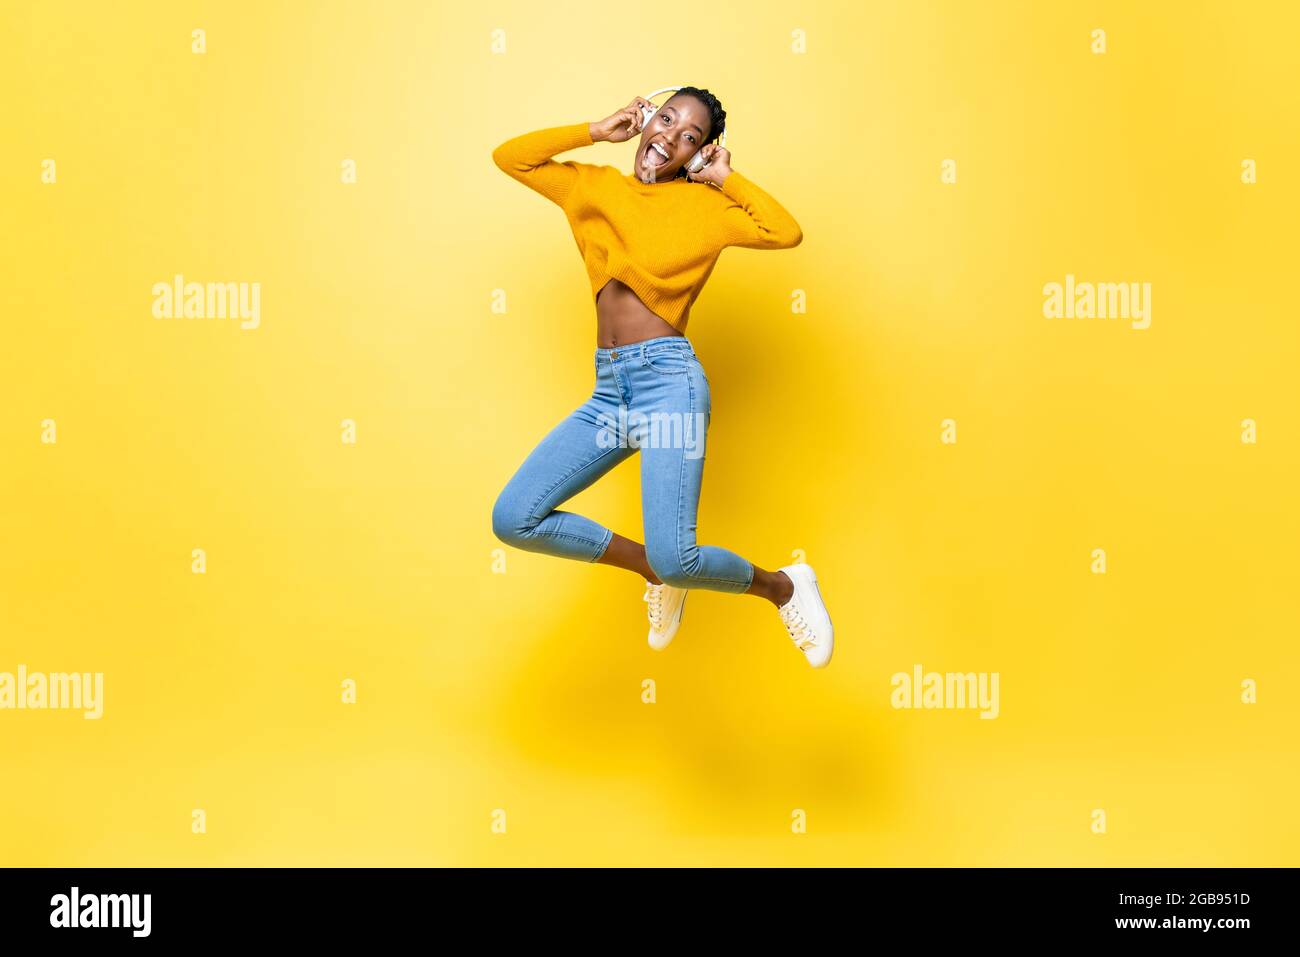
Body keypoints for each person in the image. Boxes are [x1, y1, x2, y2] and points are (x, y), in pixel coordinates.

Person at [490, 88, 833, 668]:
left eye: (690, 138)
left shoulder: (709, 208)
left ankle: (785, 587)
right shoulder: (591, 188)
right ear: (646, 117)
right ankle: (654, 571)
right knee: (515, 518)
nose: (670, 139)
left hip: (670, 388)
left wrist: (723, 177)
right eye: (666, 119)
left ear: (699, 152)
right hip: (611, 395)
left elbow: (785, 231)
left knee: (684, 559)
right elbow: (511, 157)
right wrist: (594, 130)